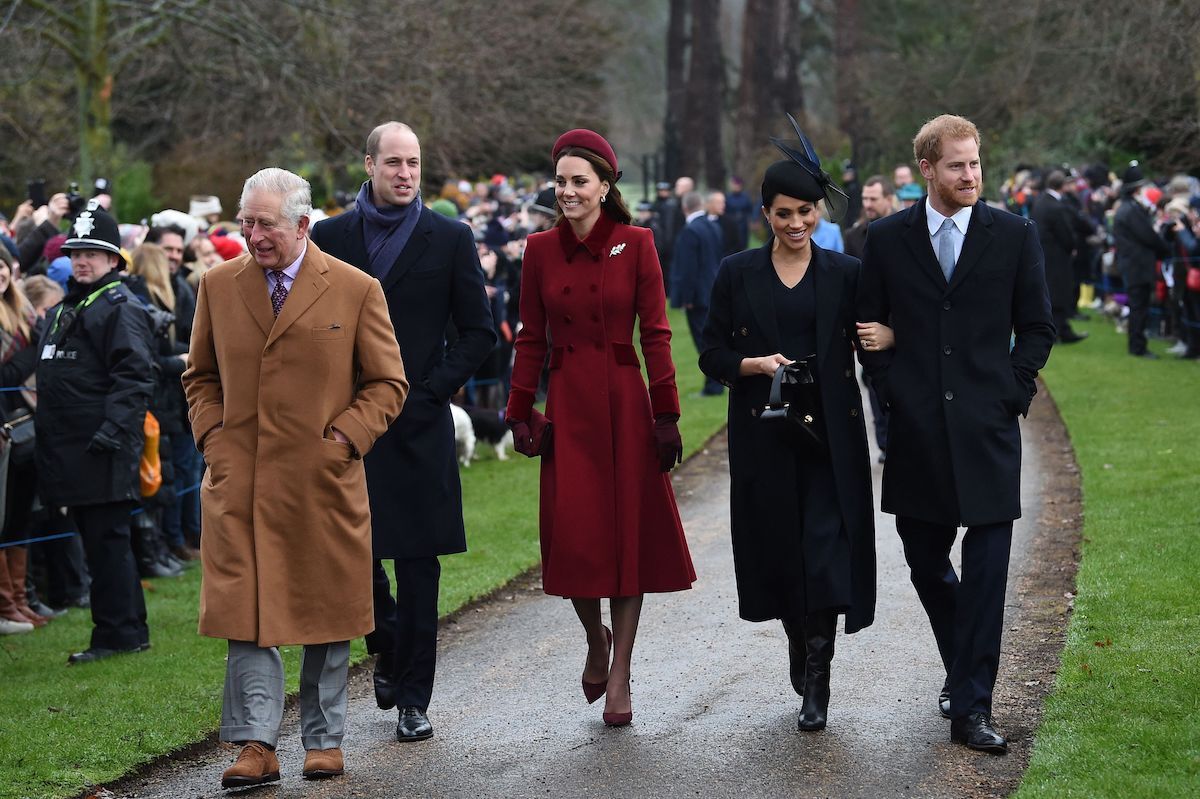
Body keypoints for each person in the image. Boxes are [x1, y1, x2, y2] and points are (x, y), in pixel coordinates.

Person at [183, 168, 407, 788]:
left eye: (266, 225)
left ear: (303, 226)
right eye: (246, 222)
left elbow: (388, 383)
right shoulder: (218, 286)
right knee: (246, 614)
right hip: (241, 484)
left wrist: (345, 439)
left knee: (326, 610)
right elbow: (199, 377)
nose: (253, 235)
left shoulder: (355, 289)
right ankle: (256, 743)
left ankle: (324, 738)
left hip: (322, 482)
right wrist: (214, 440)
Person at [857, 114, 1055, 754]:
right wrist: (892, 387)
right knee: (924, 560)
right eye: (956, 165)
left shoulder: (1014, 234)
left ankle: (973, 706)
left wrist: (1013, 392)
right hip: (917, 431)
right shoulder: (886, 240)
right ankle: (963, 666)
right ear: (927, 170)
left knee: (989, 572)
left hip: (989, 430)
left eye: (975, 163)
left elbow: (1038, 327)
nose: (970, 175)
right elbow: (870, 327)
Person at [310, 121, 495, 743]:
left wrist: (430, 391)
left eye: (413, 163)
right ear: (369, 165)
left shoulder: (449, 237)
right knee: (356, 556)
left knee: (419, 566)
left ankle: (415, 696)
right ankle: (385, 645)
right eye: (393, 162)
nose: (405, 174)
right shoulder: (331, 238)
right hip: (352, 429)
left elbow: (478, 333)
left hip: (419, 424)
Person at [505, 129, 695, 727]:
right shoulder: (539, 250)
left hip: (623, 402)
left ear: (606, 186)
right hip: (568, 405)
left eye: (578, 181)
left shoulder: (636, 244)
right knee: (575, 538)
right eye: (560, 182)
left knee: (624, 539)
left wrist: (666, 415)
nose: (567, 192)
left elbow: (657, 333)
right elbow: (531, 336)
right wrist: (518, 410)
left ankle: (621, 676)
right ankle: (595, 639)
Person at [699, 125, 880, 732]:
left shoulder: (845, 273)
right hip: (765, 433)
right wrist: (753, 365)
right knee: (780, 552)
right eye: (784, 213)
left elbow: (878, 343)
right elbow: (712, 353)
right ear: (765, 213)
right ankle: (799, 646)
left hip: (831, 434)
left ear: (818, 211)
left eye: (806, 212)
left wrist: (891, 337)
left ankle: (820, 676)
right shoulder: (736, 273)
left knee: (826, 552)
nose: (796, 223)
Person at [34, 200, 156, 664]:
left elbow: (134, 376)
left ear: (113, 260)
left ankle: (119, 634)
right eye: (77, 252)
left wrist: (111, 433)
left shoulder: (117, 306)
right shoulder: (71, 305)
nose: (82, 260)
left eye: (93, 253)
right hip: (71, 447)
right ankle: (118, 629)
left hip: (101, 447)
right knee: (98, 541)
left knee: (108, 543)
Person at [1113, 163, 1171, 359]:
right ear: (1137, 189)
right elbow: (1148, 236)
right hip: (1137, 266)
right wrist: (1165, 248)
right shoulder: (1131, 211)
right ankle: (1138, 346)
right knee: (1139, 307)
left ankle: (1136, 344)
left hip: (1134, 264)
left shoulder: (1129, 209)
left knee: (1139, 306)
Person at [670, 191, 724, 395]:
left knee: (704, 341)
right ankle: (716, 382)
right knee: (713, 338)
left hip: (698, 296)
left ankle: (713, 385)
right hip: (713, 289)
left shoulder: (690, 231)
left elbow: (688, 268)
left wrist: (686, 298)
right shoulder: (713, 226)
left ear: (685, 208)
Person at [1032, 171, 1087, 343]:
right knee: (1058, 292)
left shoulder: (1040, 201)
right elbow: (1065, 232)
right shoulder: (1055, 206)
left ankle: (1063, 330)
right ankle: (1057, 331)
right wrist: (1072, 246)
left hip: (1043, 253)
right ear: (1062, 186)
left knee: (1052, 292)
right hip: (1057, 255)